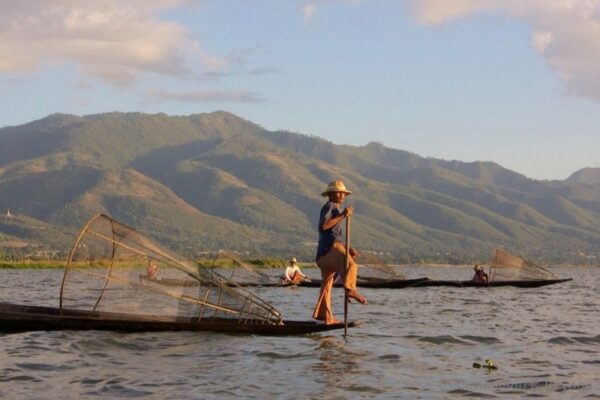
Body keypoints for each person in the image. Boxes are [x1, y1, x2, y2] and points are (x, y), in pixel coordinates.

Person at [313, 180, 367, 325]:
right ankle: (350, 289)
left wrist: (347, 248)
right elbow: (324, 227)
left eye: (344, 193)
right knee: (351, 264)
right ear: (331, 194)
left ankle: (326, 317)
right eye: (339, 192)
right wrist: (343, 215)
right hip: (327, 252)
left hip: (324, 254)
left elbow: (334, 236)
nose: (342, 195)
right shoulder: (330, 206)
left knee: (327, 287)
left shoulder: (334, 209)